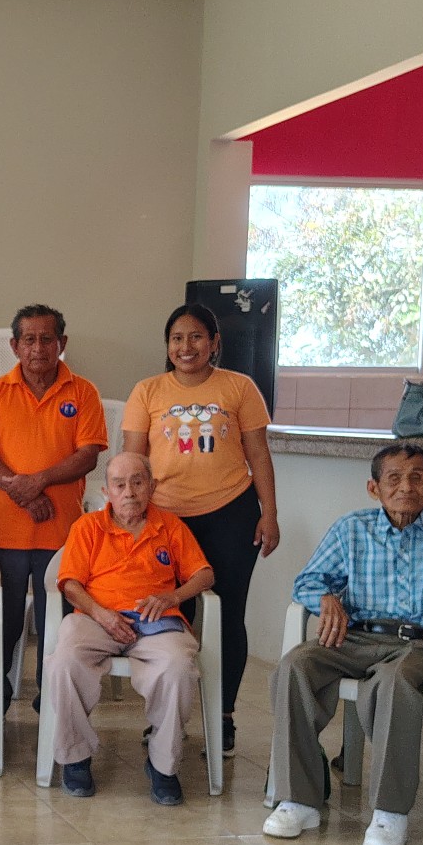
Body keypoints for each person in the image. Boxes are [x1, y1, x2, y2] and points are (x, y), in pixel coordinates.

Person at [264, 443, 423, 845]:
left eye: (416, 478)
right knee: (296, 666)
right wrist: (325, 598)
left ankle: (389, 812)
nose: (406, 487)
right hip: (357, 637)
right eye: (394, 478)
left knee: (394, 682)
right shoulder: (351, 529)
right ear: (373, 488)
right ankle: (299, 801)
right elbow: (307, 581)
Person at [122, 302, 278, 757]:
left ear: (214, 342)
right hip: (166, 518)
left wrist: (269, 513)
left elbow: (259, 454)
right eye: (177, 338)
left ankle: (223, 715)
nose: (185, 347)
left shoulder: (239, 387)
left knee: (228, 615)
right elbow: (133, 460)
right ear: (167, 345)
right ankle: (166, 716)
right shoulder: (147, 391)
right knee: (169, 617)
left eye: (195, 337)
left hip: (231, 512)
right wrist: (129, 512)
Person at [42, 452, 215, 802]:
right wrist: (101, 613)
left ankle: (163, 765)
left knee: (178, 667)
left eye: (137, 482)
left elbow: (204, 574)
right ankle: (76, 758)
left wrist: (172, 596)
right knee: (64, 661)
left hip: (156, 620)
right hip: (96, 618)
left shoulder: (170, 526)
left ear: (152, 486)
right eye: (119, 485)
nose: (129, 492)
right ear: (107, 491)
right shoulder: (87, 527)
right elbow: (70, 584)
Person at [0, 304, 108, 703]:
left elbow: (88, 455)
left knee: (58, 631)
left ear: (62, 343)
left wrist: (38, 482)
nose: (38, 348)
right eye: (29, 339)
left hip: (62, 536)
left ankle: (53, 708)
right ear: (15, 346)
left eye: (47, 339)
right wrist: (22, 490)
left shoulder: (83, 392)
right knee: (0, 627)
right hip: (2, 534)